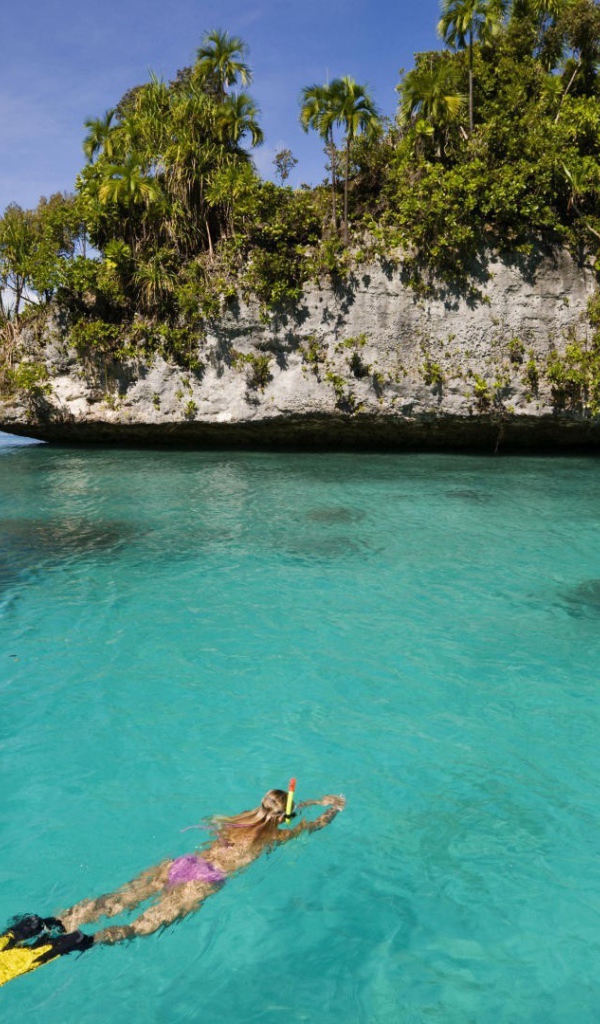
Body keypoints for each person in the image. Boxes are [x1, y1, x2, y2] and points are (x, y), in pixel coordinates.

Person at [56, 788, 346, 946]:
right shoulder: (275, 838)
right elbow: (313, 825)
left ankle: (56, 922)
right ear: (284, 818)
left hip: (186, 863)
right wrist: (331, 808)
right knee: (141, 925)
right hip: (205, 880)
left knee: (115, 901)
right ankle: (88, 941)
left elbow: (275, 810)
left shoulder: (238, 821)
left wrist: (313, 800)